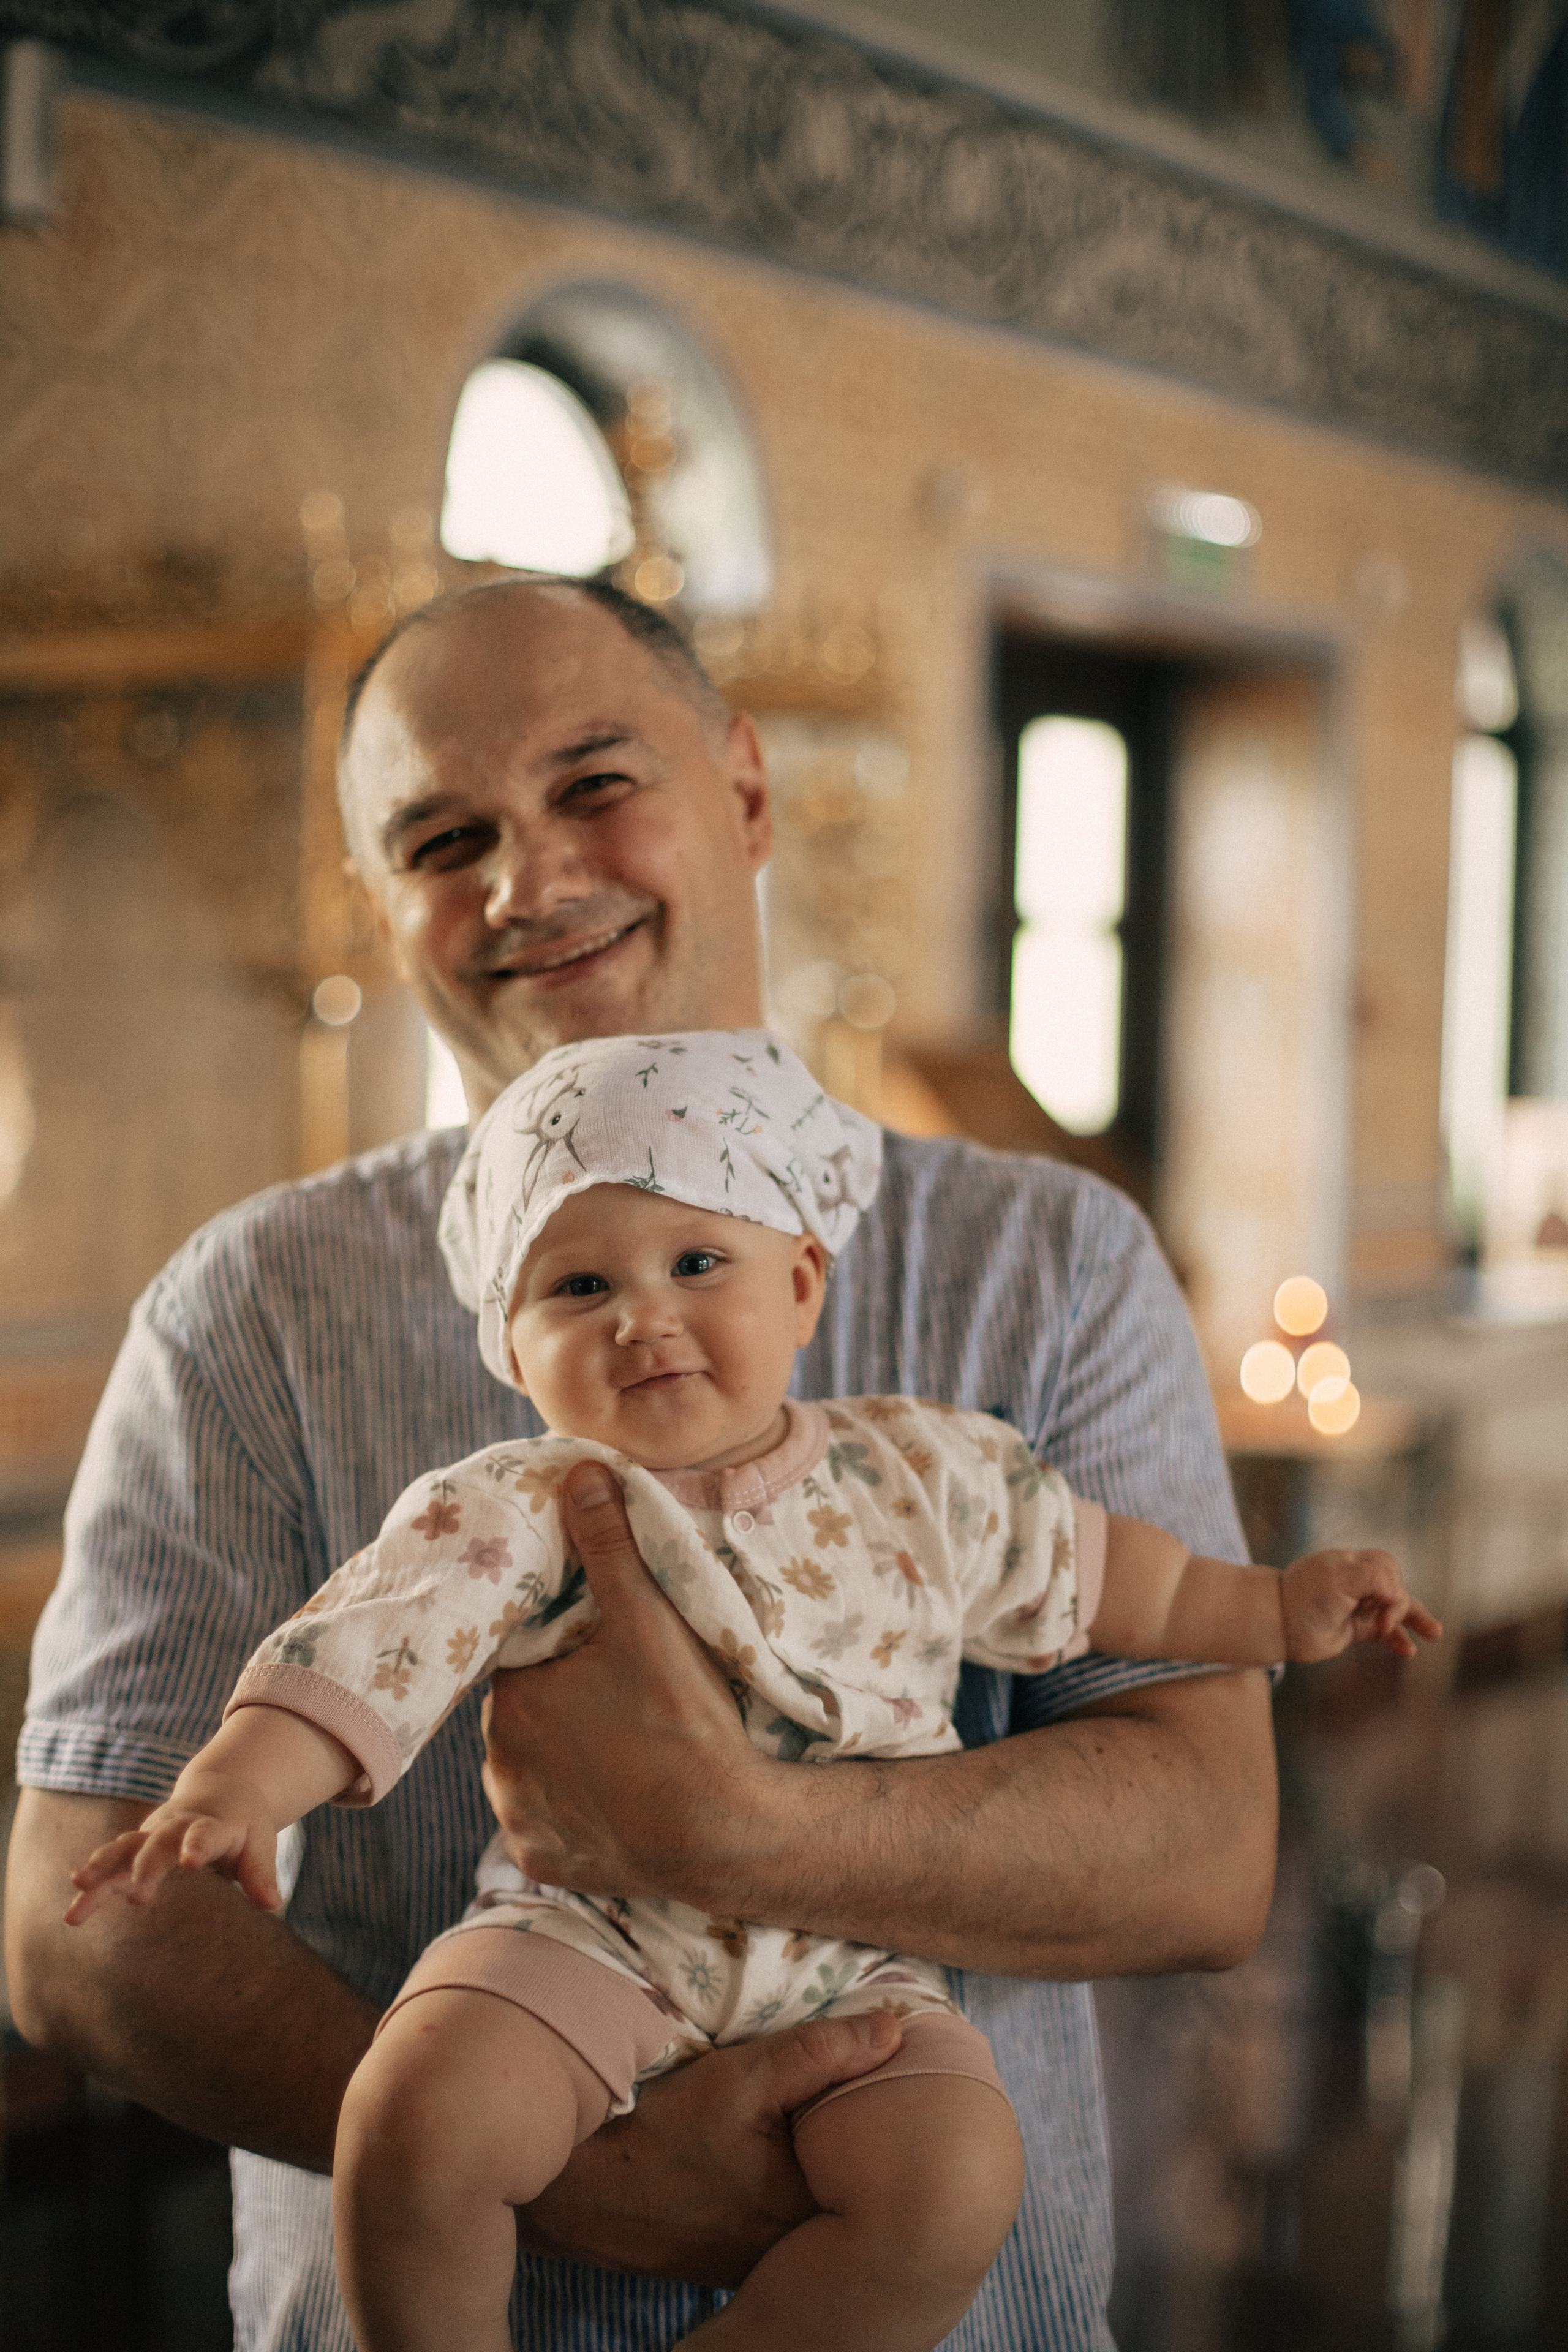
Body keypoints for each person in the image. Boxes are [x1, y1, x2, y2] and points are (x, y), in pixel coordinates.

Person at [9, 576, 1281, 2352]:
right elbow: (84, 1930)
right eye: (445, 839)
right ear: (390, 910)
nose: (526, 881)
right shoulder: (250, 1307)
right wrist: (569, 2165)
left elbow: (1208, 1854)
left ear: (747, 794)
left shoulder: (1047, 1264)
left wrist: (731, 1825)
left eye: (595, 785)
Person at [64, 1030, 1436, 2352]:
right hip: (584, 1940)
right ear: (512, 1349)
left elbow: (1118, 1584)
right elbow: (363, 1650)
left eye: (696, 1260)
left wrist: (1275, 1608)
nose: (643, 1316)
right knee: (413, 2118)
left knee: (954, 2181)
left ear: (800, 1287)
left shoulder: (921, 1475)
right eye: (577, 1290)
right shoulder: (524, 1502)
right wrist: (236, 1789)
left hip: (855, 1964)